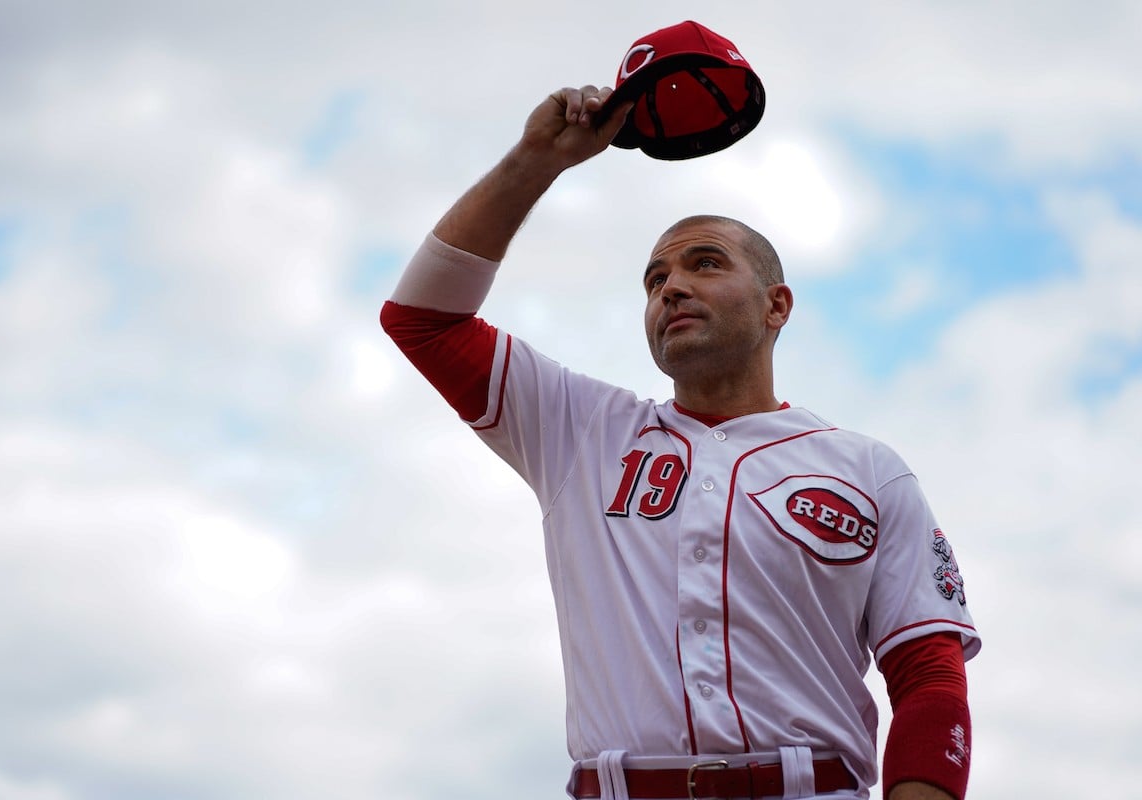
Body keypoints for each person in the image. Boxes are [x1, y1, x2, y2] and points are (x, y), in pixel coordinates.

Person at [380, 85, 980, 800]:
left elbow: (928, 672)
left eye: (705, 263)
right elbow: (423, 319)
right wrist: (537, 160)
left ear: (776, 305)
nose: (670, 288)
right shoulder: (581, 430)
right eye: (655, 278)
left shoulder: (868, 470)